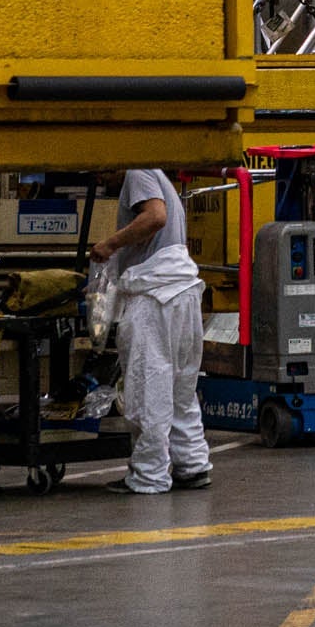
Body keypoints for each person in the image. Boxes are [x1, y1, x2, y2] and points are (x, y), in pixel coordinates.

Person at [91, 170, 209, 494]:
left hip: (155, 295)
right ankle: (192, 464)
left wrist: (110, 244)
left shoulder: (137, 170)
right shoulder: (162, 178)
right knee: (180, 389)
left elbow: (155, 216)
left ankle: (149, 475)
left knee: (149, 387)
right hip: (183, 291)